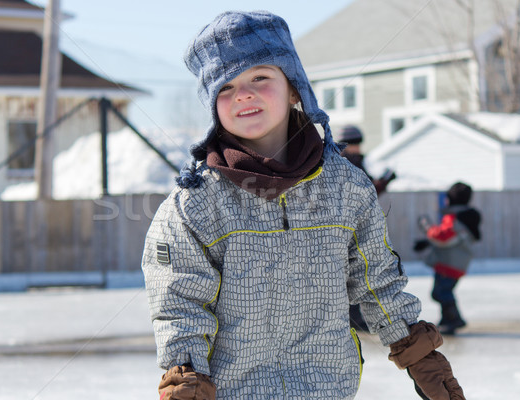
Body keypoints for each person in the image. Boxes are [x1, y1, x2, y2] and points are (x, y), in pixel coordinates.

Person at [142, 11, 465, 400]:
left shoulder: (346, 186)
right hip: (234, 391)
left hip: (327, 386)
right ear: (212, 104)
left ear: (294, 88)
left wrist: (419, 355)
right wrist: (187, 380)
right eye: (224, 87)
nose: (243, 93)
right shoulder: (194, 204)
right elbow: (180, 306)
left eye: (259, 77)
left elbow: (375, 279)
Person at [337, 124, 396, 332]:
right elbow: (363, 192)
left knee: (357, 273)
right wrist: (380, 184)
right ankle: (352, 318)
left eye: (358, 143)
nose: (357, 148)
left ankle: (355, 317)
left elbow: (367, 193)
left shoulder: (355, 162)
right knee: (350, 273)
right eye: (353, 144)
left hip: (357, 224)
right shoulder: (343, 162)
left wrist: (383, 183)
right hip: (345, 226)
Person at [414, 182, 482, 335]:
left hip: (449, 263)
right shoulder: (464, 217)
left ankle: (454, 319)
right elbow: (453, 238)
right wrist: (427, 243)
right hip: (456, 262)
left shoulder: (454, 217)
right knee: (442, 291)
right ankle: (447, 319)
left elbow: (443, 237)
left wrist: (426, 227)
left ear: (451, 199)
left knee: (441, 292)